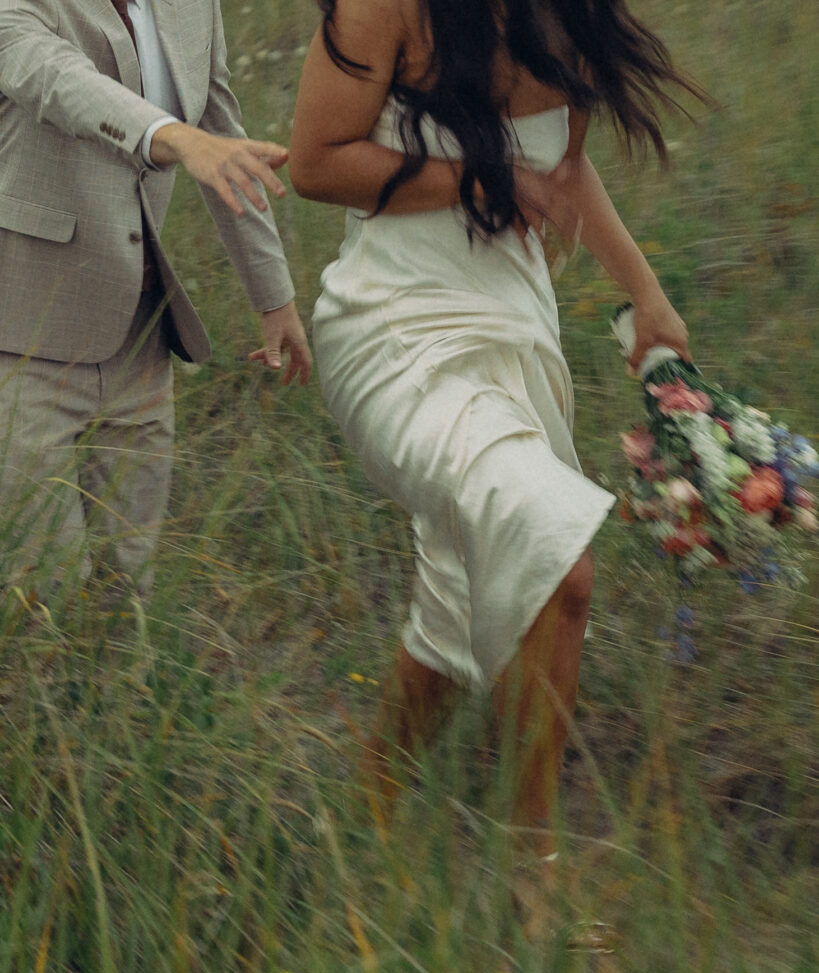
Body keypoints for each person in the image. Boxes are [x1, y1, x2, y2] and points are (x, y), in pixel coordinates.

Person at [289, 0, 698, 923]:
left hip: (515, 329)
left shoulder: (571, 15)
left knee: (458, 600)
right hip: (392, 328)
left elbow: (566, 174)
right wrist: (489, 178)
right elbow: (316, 164)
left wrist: (648, 295)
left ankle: (362, 832)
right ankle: (532, 871)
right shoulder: (385, 7)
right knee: (556, 555)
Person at [0, 0, 312, 596]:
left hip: (140, 340)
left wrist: (275, 299)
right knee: (45, 591)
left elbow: (224, 143)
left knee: (128, 590)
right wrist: (173, 137)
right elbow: (58, 82)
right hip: (21, 341)